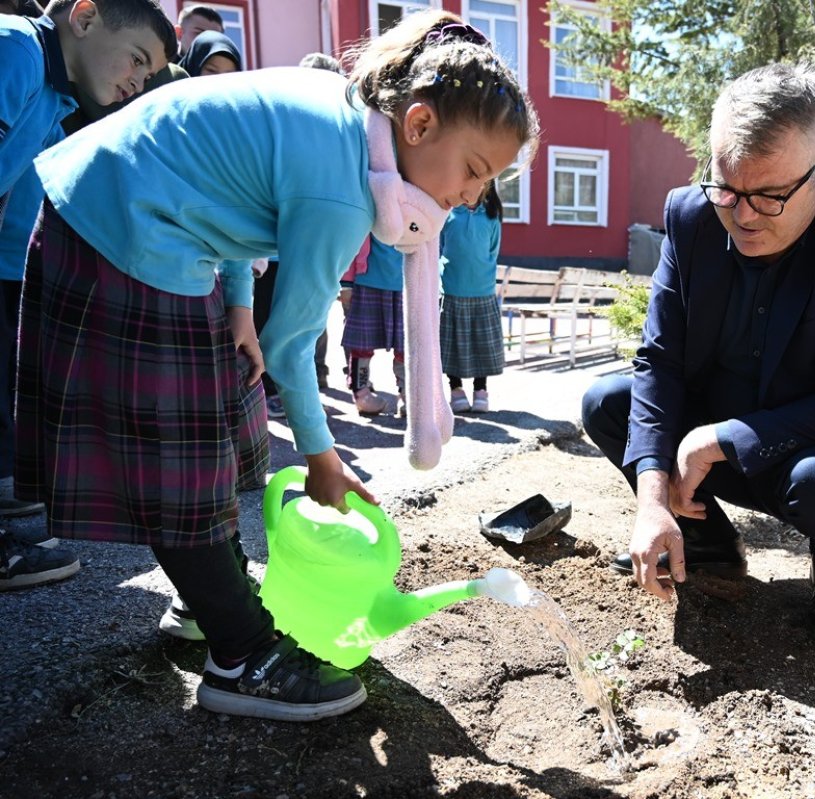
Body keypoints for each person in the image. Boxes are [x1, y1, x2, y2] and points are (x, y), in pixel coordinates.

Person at [19, 9, 537, 719]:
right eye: (474, 171)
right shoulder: (343, 187)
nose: (474, 196)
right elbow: (295, 346)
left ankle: (210, 600)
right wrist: (323, 460)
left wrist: (237, 304)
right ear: (418, 124)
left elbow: (226, 187)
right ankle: (240, 656)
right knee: (182, 458)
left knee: (221, 425)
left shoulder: (348, 121)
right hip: (122, 224)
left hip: (130, 214)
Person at [581, 62, 815, 645]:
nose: (742, 216)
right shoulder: (692, 217)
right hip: (718, 429)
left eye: (770, 196)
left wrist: (715, 440)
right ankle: (706, 544)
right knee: (608, 403)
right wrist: (651, 500)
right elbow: (660, 362)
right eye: (728, 187)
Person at [0, 0, 175, 590]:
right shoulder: (16, 50)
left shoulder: (58, 99)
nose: (137, 82)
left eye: (149, 74)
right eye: (137, 59)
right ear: (84, 17)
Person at [253, 51, 345, 420]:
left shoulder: (333, 137)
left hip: (305, 251)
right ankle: (268, 390)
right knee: (266, 321)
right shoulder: (282, 127)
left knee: (305, 324)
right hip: (269, 250)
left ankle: (298, 393)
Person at [439, 181, 504, 414]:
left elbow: (493, 251)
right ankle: (455, 389)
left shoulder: (491, 216)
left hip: (482, 291)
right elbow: (439, 247)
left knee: (481, 344)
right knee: (451, 344)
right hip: (452, 289)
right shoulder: (448, 213)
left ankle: (480, 389)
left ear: (489, 187)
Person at [341, 235, 407, 416]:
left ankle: (407, 392)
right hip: (366, 280)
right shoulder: (367, 215)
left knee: (405, 344)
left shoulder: (414, 217)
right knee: (362, 343)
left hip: (405, 283)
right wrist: (346, 284)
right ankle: (361, 393)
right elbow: (351, 240)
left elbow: (422, 233)